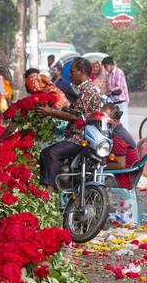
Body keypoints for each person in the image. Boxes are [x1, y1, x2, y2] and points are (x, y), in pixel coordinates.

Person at [35, 56, 106, 191]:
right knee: (44, 153)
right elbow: (75, 112)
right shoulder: (83, 90)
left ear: (81, 72)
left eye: (72, 71)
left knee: (53, 154)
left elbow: (76, 116)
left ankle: (50, 192)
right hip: (74, 135)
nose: (70, 74)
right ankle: (45, 189)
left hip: (81, 137)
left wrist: (51, 112)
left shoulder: (88, 90)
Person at [102, 54, 130, 133]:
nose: (105, 68)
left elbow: (118, 88)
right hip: (114, 102)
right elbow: (108, 87)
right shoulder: (109, 75)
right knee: (115, 123)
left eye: (105, 66)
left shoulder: (119, 72)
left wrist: (109, 91)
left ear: (110, 64)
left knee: (123, 124)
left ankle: (126, 142)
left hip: (121, 101)